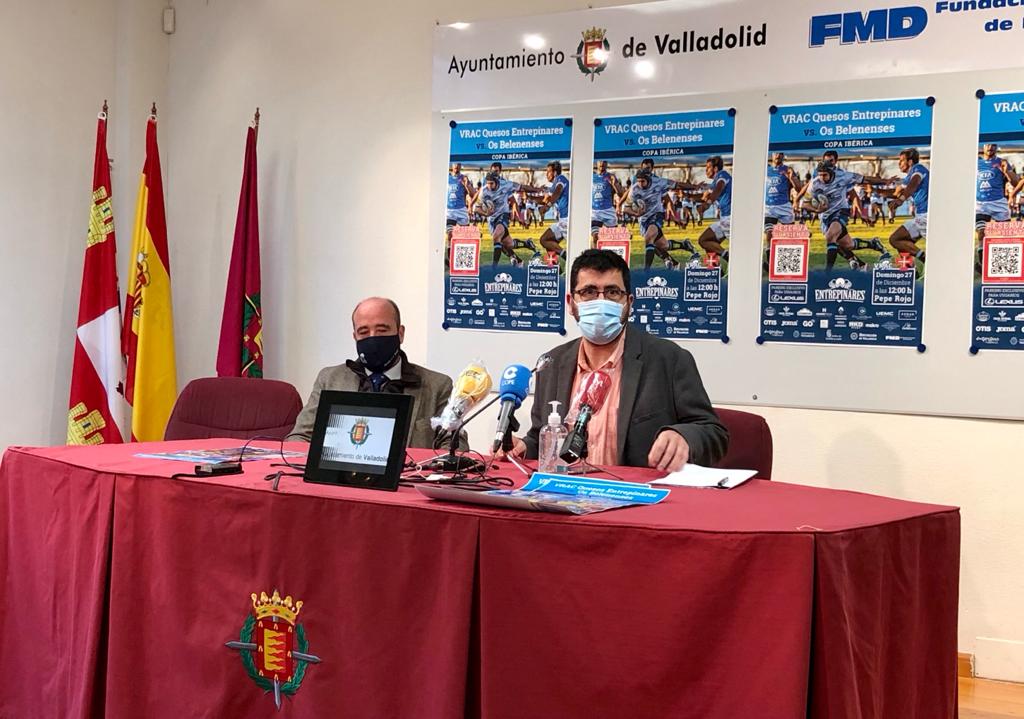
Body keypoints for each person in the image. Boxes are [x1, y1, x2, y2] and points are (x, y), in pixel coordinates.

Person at [502, 249, 728, 472]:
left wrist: (684, 436)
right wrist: (524, 447)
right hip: (563, 490)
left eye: (612, 292)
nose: (601, 301)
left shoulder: (669, 359)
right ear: (571, 302)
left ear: (629, 302)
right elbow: (542, 436)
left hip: (634, 492)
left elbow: (713, 432)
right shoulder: (552, 363)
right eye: (589, 292)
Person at [292, 297, 458, 448]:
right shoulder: (330, 379)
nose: (373, 338)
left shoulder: (438, 385)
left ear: (400, 334)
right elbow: (299, 437)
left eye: (382, 330)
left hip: (408, 471)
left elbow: (454, 447)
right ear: (355, 337)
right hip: (341, 471)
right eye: (363, 332)